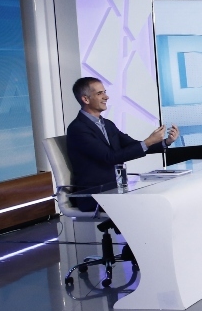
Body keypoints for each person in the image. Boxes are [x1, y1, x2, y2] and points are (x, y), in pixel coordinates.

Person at [66, 77, 178, 212]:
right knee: (151, 206)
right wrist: (148, 141)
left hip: (116, 190)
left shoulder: (107, 124)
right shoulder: (78, 129)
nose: (106, 97)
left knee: (162, 199)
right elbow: (110, 158)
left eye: (104, 92)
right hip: (95, 195)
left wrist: (166, 142)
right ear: (85, 99)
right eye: (100, 93)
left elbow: (133, 145)